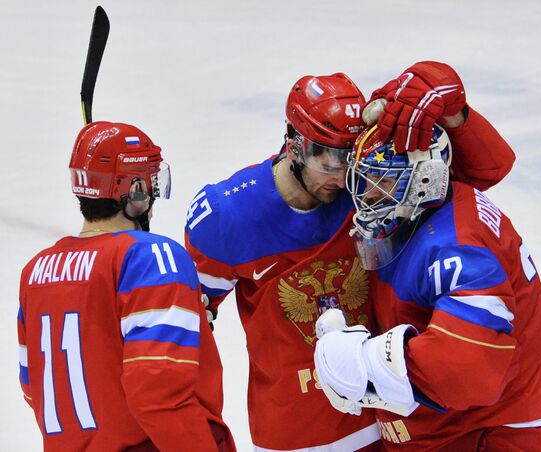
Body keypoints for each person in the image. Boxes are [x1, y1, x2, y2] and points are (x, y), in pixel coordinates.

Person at [184, 62, 516, 450]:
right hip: (298, 436)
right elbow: (186, 326)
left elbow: (482, 175)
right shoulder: (227, 214)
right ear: (294, 143)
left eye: (351, 159)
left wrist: (455, 115)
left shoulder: (371, 189)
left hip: (393, 420)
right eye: (329, 162)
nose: (343, 178)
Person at [314, 123, 541, 450]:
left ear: (424, 180)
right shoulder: (432, 211)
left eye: (383, 182)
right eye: (366, 179)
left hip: (499, 432)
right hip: (460, 427)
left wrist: (366, 366)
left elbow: (469, 370)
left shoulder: (456, 248)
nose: (366, 194)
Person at [17, 122, 235, 451]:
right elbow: (160, 396)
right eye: (152, 182)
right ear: (135, 192)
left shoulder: (35, 272)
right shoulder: (151, 257)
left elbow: (33, 387)